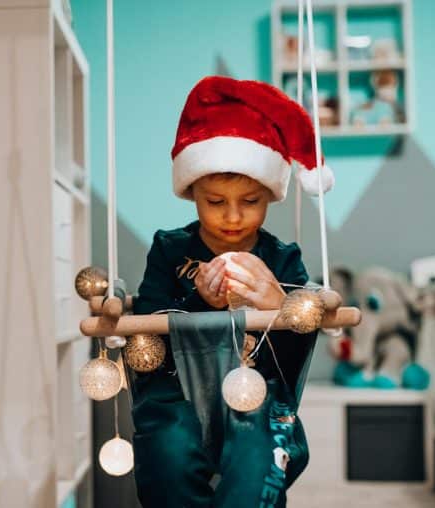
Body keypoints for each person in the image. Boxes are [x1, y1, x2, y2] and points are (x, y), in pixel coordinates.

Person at [130, 76, 334, 508]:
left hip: (257, 394)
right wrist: (197, 302)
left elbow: (297, 359)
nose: (234, 217)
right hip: (176, 392)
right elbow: (145, 344)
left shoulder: (282, 258)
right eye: (215, 202)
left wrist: (278, 302)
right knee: (168, 449)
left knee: (259, 452)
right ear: (191, 193)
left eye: (251, 201)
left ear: (271, 196)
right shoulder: (170, 250)